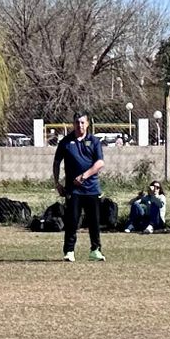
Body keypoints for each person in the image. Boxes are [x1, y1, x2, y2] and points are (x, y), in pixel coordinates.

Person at [52, 111, 106, 262]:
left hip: (92, 189)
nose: (79, 125)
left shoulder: (94, 141)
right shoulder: (66, 142)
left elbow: (100, 163)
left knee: (94, 221)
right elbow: (56, 163)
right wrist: (57, 183)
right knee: (72, 221)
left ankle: (95, 250)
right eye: (77, 122)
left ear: (88, 124)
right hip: (73, 190)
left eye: (82, 122)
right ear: (73, 124)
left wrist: (84, 176)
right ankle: (69, 251)